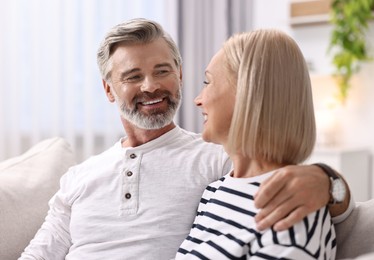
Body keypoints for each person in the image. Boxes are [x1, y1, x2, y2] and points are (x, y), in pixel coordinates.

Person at [20, 19, 351, 259]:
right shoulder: (79, 177)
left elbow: (281, 178)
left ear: (179, 74)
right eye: (133, 76)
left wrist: (326, 179)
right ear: (109, 89)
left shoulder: (217, 160)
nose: (150, 86)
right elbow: (40, 253)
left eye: (162, 70)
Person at [176, 29, 336, 259]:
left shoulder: (293, 211)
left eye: (207, 82)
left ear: (248, 93)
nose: (198, 99)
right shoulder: (215, 191)